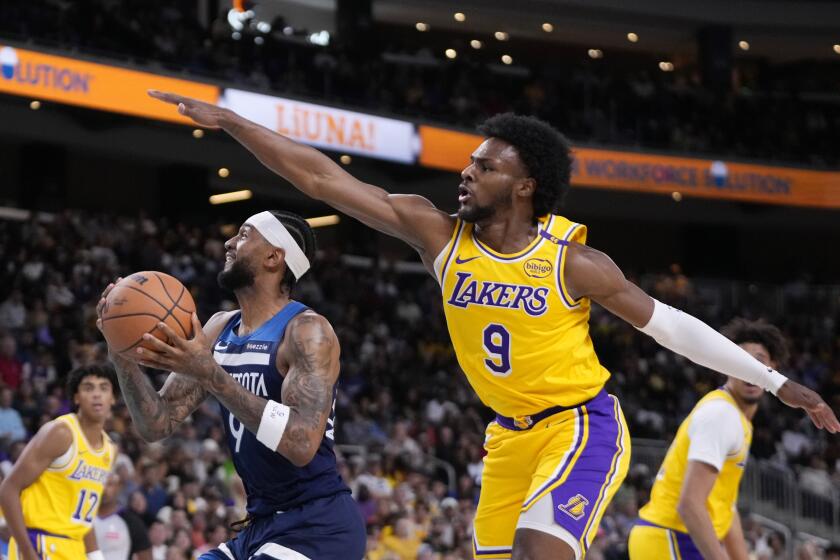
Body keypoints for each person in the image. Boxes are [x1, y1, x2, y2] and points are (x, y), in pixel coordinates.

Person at [148, 91, 839, 560]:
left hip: (580, 424)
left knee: (543, 550)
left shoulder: (573, 262)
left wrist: (776, 382)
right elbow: (325, 181)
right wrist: (234, 123)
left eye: (485, 166)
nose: (467, 172)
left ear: (525, 184)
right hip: (507, 439)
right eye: (470, 162)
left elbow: (672, 327)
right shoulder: (438, 235)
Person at [96, 210, 366, 559]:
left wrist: (212, 376)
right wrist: (122, 356)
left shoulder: (306, 331)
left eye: (243, 234)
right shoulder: (218, 328)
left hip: (318, 526)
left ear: (273, 257)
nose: (228, 242)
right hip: (261, 525)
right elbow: (156, 423)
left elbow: (300, 445)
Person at [628, 318, 787, 560]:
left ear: (773, 369)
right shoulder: (722, 414)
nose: (750, 370)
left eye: (759, 362)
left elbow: (725, 506)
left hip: (674, 538)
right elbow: (689, 505)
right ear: (726, 366)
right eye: (741, 362)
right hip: (671, 537)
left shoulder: (738, 418)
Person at [0, 364, 118, 560]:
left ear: (113, 398)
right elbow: (8, 489)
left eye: (104, 388)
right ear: (76, 397)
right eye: (88, 388)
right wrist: (28, 551)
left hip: (74, 548)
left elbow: (82, 515)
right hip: (41, 542)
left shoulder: (109, 449)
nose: (97, 394)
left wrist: (96, 556)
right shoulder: (61, 433)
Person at [93, 473, 152, 560]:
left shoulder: (132, 522)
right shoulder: (82, 516)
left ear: (119, 487)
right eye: (101, 483)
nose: (104, 489)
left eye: (110, 484)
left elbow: (145, 556)